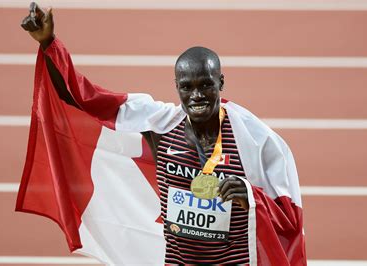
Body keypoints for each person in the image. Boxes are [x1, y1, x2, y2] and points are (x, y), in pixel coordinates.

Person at [19, 2, 306, 265]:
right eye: (186, 87)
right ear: (176, 86)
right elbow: (82, 99)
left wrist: (250, 195)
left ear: (221, 82)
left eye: (205, 85)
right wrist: (48, 43)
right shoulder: (159, 124)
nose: (196, 96)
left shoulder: (255, 140)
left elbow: (290, 217)